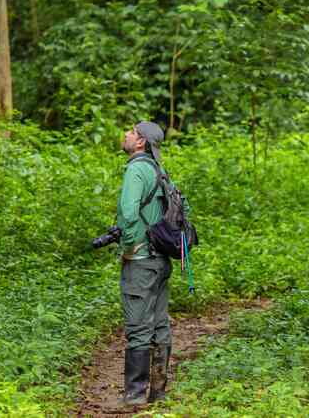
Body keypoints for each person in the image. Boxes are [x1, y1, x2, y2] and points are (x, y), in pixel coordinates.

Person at [115, 121, 172, 407]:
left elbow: (128, 213)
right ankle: (158, 392)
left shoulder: (137, 169)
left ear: (140, 142)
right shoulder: (159, 169)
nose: (126, 133)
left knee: (138, 325)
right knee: (160, 323)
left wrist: (128, 248)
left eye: (131, 131)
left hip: (141, 260)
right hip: (161, 260)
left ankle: (134, 396)